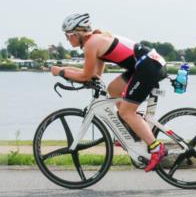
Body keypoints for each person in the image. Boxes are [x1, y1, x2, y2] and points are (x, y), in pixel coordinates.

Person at [51, 13, 168, 171]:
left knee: (127, 112)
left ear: (77, 34)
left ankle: (156, 148)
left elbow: (86, 75)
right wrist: (65, 70)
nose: (67, 39)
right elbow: (94, 75)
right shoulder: (95, 41)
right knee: (113, 89)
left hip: (148, 67)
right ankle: (133, 132)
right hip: (145, 65)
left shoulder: (91, 44)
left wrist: (62, 73)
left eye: (68, 35)